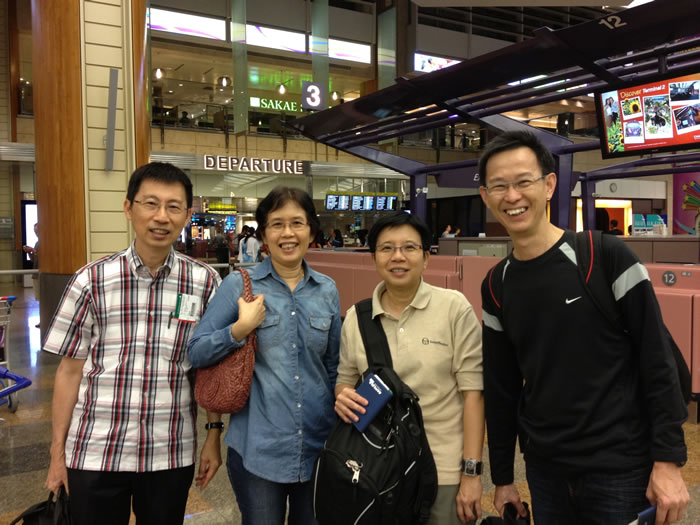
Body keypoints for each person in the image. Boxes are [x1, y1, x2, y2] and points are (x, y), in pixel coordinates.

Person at [478, 131, 688, 525]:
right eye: (499, 186)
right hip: (545, 470)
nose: (512, 196)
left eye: (524, 182)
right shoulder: (497, 284)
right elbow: (501, 388)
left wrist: (668, 460)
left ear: (549, 184)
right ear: (485, 196)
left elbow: (656, 358)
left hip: (621, 468)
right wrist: (503, 478)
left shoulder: (605, 256)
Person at [43, 162, 223, 525]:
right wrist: (57, 454)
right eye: (150, 203)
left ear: (188, 214)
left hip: (169, 451)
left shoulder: (205, 282)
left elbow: (209, 368)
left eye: (174, 207)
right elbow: (70, 371)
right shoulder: (91, 280)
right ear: (129, 208)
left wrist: (213, 436)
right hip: (96, 450)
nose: (161, 216)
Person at [188, 186, 342, 525]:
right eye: (277, 224)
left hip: (318, 445)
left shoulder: (327, 290)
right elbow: (196, 351)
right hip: (258, 450)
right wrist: (238, 331)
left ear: (311, 231)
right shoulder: (239, 285)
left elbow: (333, 367)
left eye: (297, 223)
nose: (288, 233)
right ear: (264, 234)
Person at [334, 211, 484, 525]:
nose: (398, 257)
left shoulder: (454, 308)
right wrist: (344, 396)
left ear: (426, 258)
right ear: (373, 257)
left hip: (443, 470)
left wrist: (471, 474)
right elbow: (345, 381)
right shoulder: (356, 319)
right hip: (377, 469)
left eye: (409, 248)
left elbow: (474, 396)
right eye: (387, 248)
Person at [23, 222, 40, 327]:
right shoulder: (37, 243)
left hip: (42, 274)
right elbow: (34, 259)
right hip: (36, 273)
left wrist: (33, 251)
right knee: (38, 298)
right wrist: (29, 252)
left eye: (37, 231)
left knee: (43, 299)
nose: (36, 233)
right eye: (35, 232)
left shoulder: (46, 242)